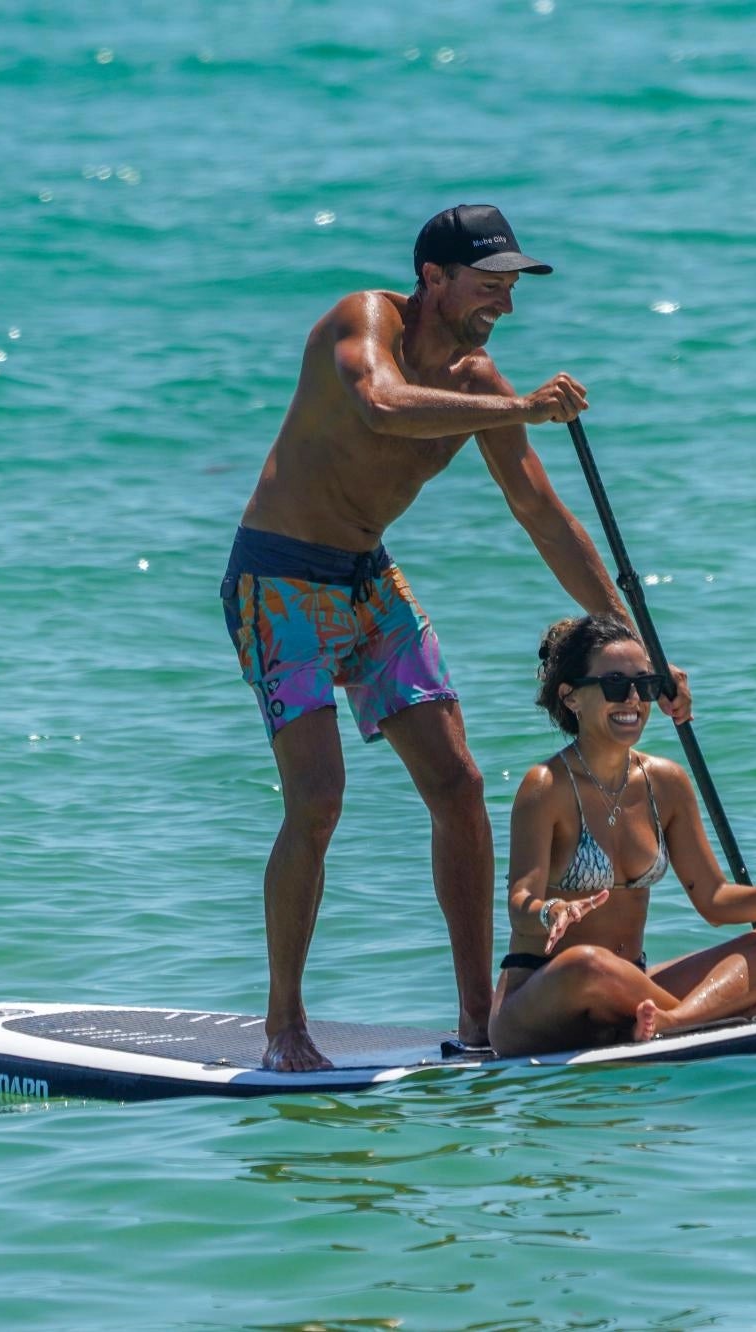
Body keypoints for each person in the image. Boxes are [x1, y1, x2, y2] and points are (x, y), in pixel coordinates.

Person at [220, 204, 690, 1072]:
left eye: (511, 288)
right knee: (318, 800)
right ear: (432, 278)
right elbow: (382, 405)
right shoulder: (365, 320)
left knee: (460, 782)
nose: (503, 305)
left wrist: (636, 647)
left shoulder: (479, 381)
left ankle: (481, 1021)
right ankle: (284, 1025)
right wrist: (522, 405)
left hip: (369, 584)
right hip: (277, 582)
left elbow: (540, 513)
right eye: (488, 285)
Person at [489, 614, 756, 1057]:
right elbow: (519, 906)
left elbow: (715, 899)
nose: (632, 699)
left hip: (633, 996)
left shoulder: (664, 782)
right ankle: (721, 1019)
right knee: (587, 963)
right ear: (571, 697)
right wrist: (551, 911)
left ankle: (672, 1023)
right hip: (543, 998)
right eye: (613, 684)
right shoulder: (546, 786)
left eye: (644, 685)